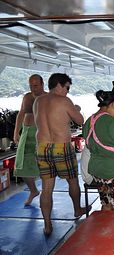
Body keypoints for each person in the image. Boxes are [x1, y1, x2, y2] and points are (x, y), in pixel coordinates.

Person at [33, 73, 87, 235]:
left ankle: (47, 224)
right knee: (72, 181)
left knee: (47, 188)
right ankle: (77, 210)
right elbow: (80, 120)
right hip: (61, 146)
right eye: (67, 88)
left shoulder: (38, 101)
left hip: (42, 147)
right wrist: (76, 109)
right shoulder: (63, 100)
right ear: (58, 85)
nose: (68, 91)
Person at [13, 74, 47, 205]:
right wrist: (16, 132)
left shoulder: (47, 97)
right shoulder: (27, 97)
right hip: (26, 132)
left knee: (44, 165)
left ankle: (46, 194)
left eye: (36, 85)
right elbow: (21, 113)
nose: (33, 88)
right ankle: (33, 190)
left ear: (42, 84)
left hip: (41, 133)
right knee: (20, 165)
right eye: (31, 85)